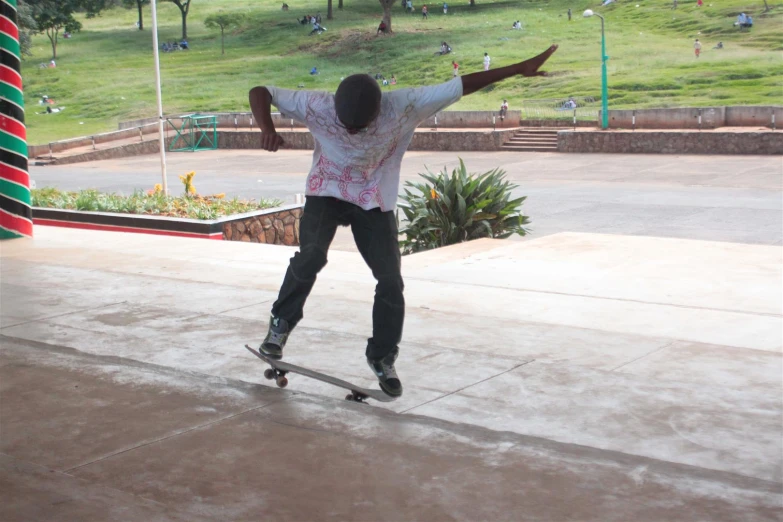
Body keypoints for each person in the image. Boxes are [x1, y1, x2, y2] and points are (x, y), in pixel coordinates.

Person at [248, 45, 559, 397]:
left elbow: (462, 84)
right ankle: (279, 327)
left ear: (379, 111)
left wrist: (520, 66)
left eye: (360, 127)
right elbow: (261, 92)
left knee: (391, 281)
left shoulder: (407, 104)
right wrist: (266, 128)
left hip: (373, 200)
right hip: (326, 193)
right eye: (346, 125)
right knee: (312, 255)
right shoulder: (316, 104)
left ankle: (382, 356)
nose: (351, 132)